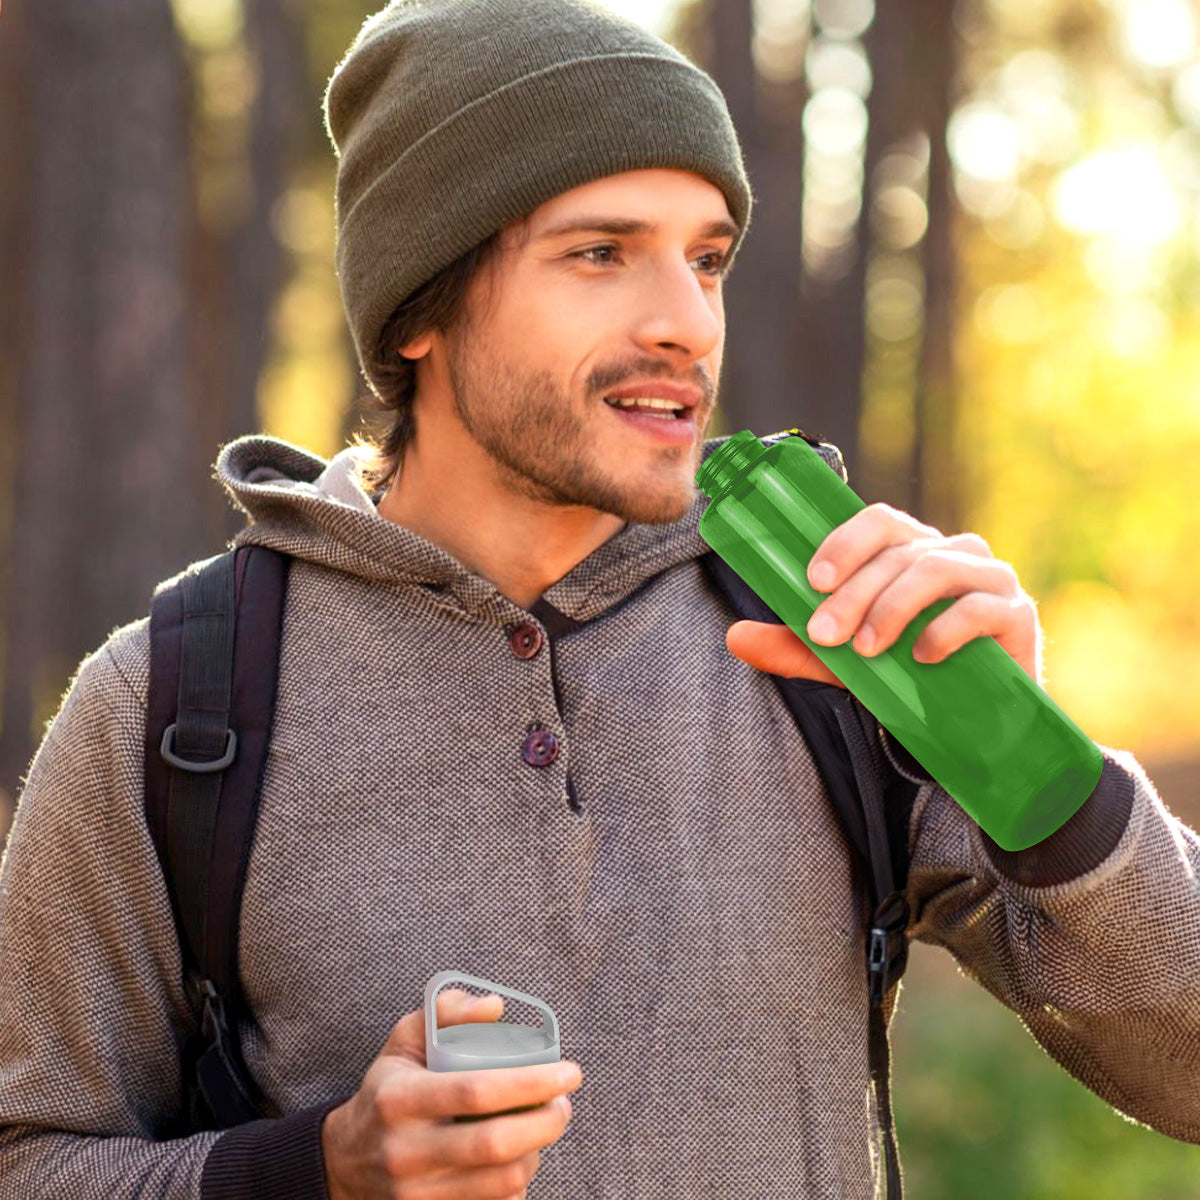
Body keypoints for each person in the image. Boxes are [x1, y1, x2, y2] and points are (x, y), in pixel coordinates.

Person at [1, 0, 1197, 1197]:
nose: (686, 322)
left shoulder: (834, 644)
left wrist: (1041, 772)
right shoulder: (174, 700)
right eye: (600, 252)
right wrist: (314, 1172)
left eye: (707, 257)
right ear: (419, 308)